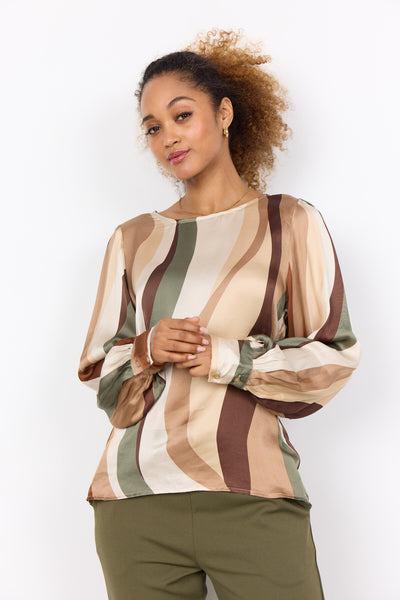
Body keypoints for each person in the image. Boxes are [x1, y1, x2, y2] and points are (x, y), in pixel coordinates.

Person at [77, 28, 361, 600]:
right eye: (152, 128)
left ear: (224, 113)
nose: (167, 137)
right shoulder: (133, 239)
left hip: (253, 496)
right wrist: (147, 349)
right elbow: (101, 379)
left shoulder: (289, 221)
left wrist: (226, 357)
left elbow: (333, 357)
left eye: (182, 115)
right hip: (137, 504)